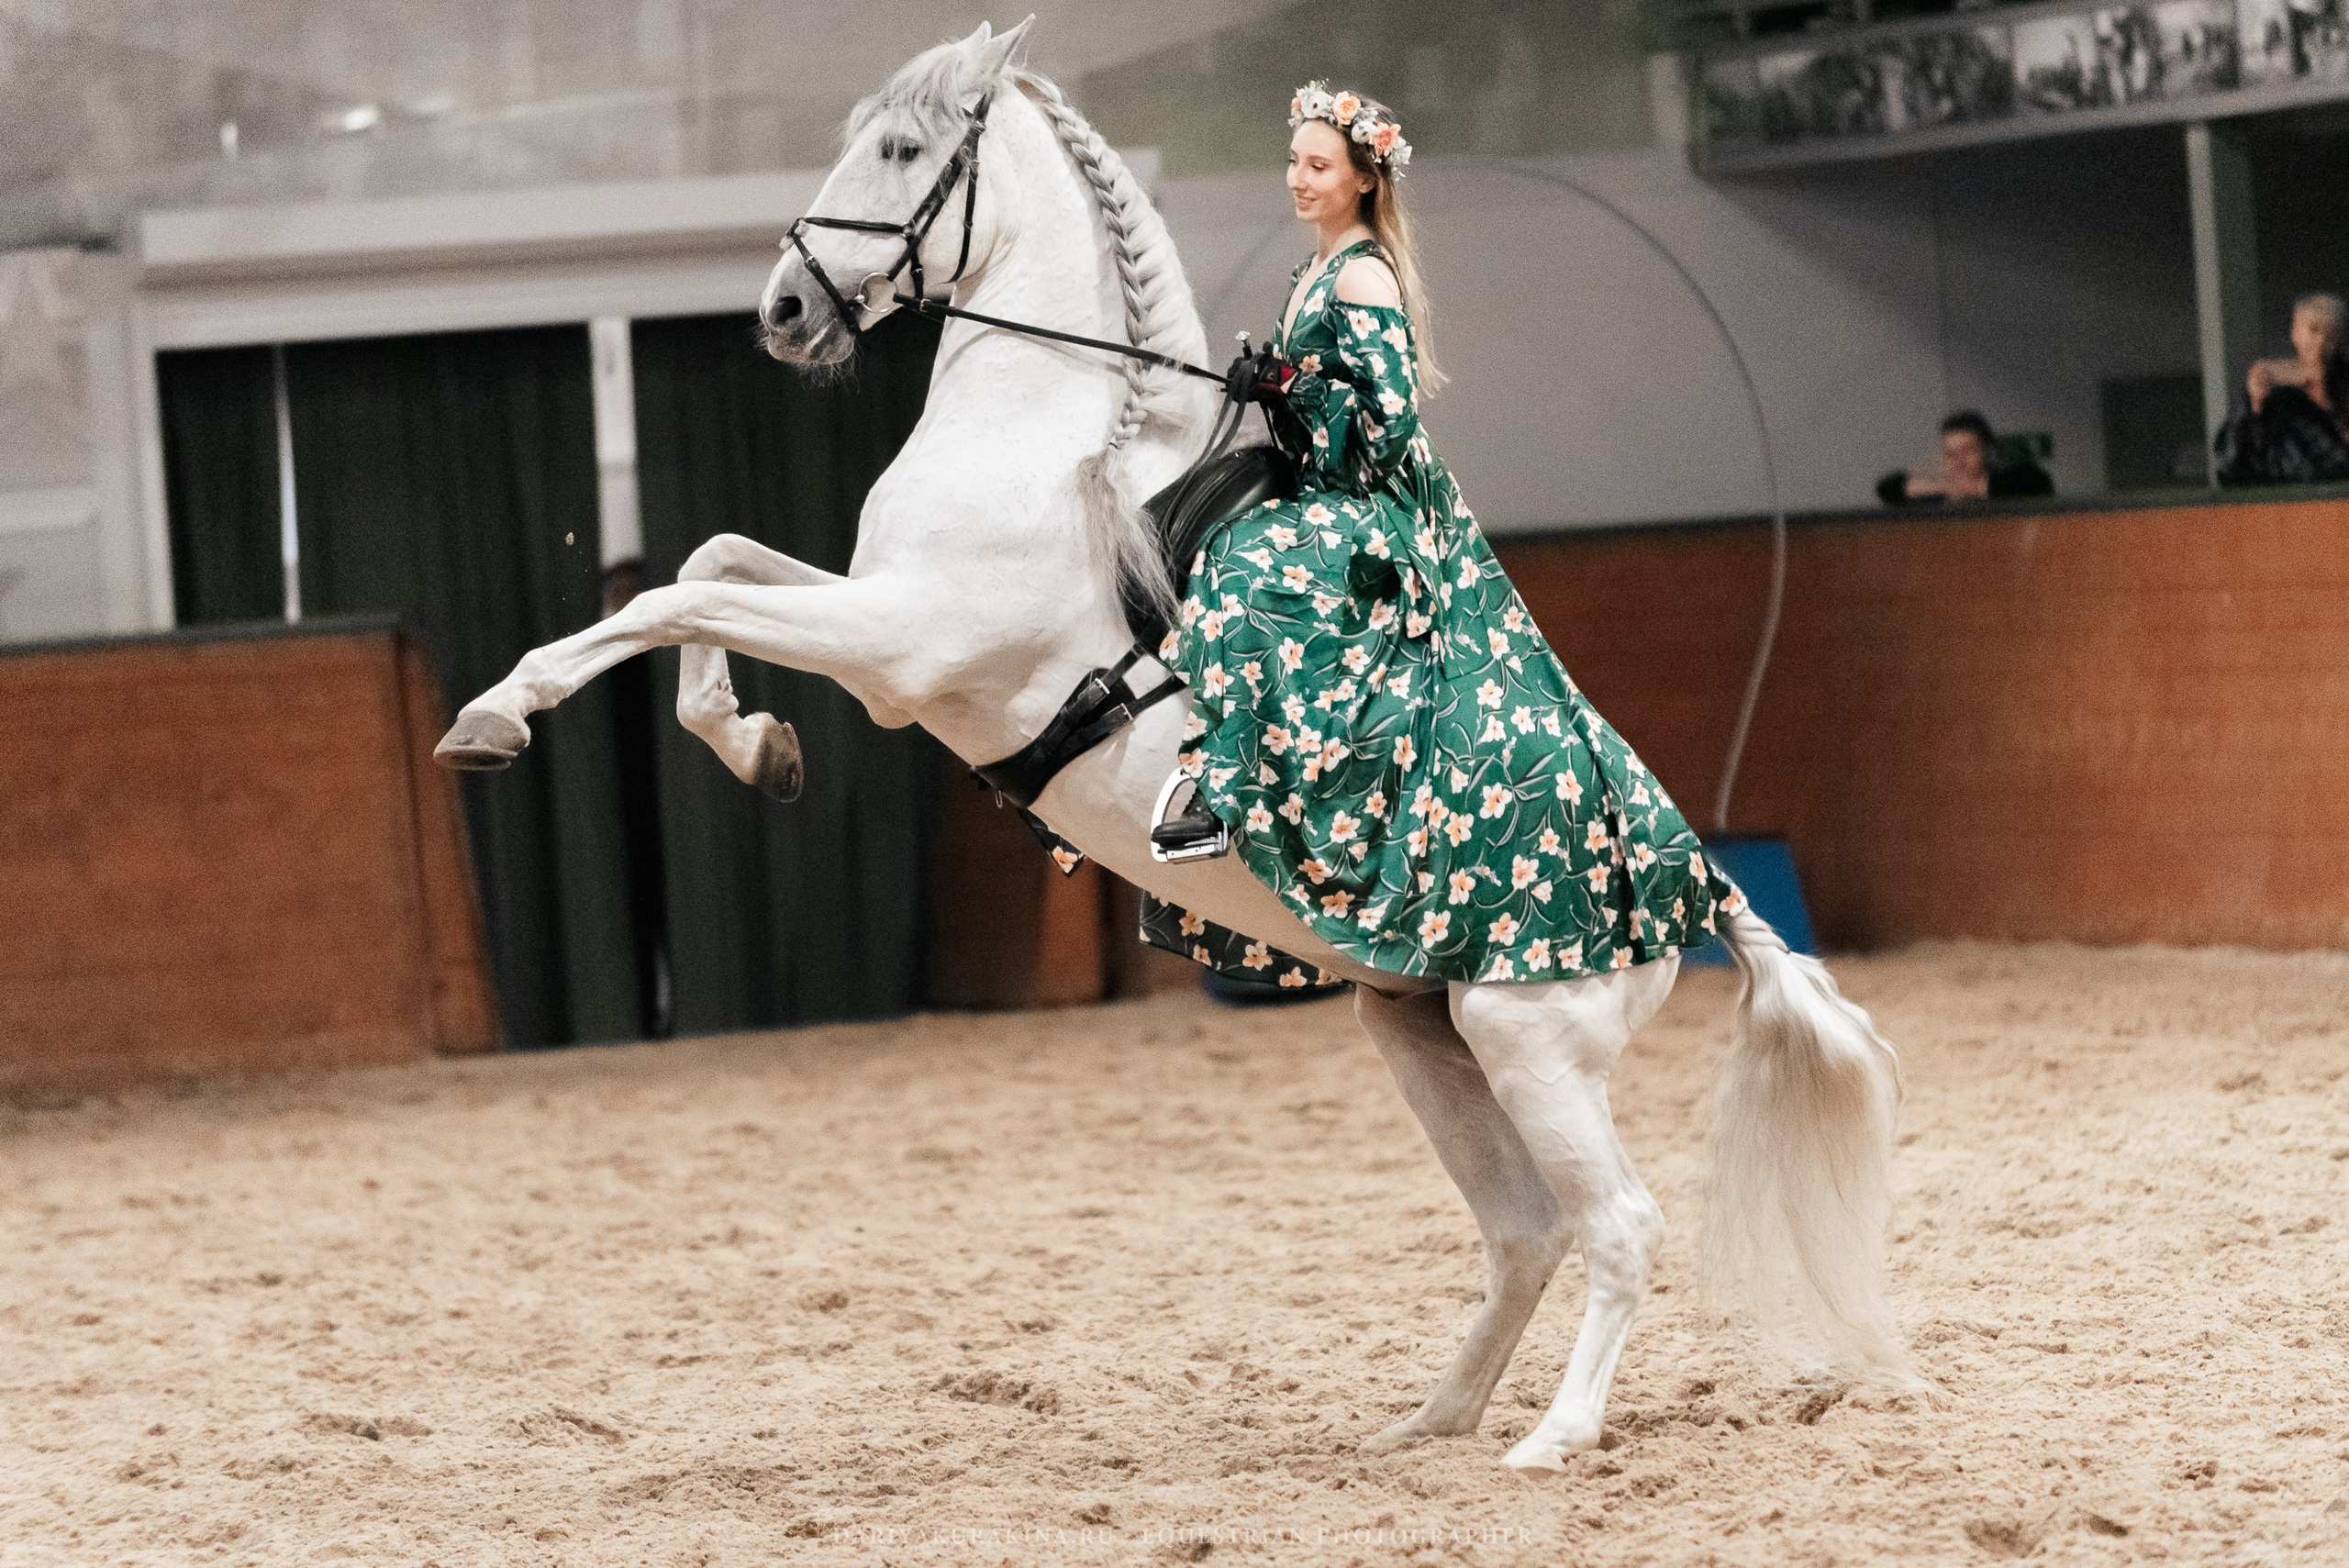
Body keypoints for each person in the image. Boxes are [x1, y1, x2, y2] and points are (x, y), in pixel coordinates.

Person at [1144, 82, 1743, 986]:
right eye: (1295, 161)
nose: (1297, 178)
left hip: (1375, 504)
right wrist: (1271, 382)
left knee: (1243, 562)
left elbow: (1385, 420)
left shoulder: (1360, 273)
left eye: (1318, 165)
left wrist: (1290, 385)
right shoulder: (1312, 269)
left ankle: (1225, 789)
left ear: (1359, 182)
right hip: (1324, 485)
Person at [2216, 292, 2349, 486]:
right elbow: (2254, 425)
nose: (2293, 336)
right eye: (2306, 330)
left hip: (2332, 464)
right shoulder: (2273, 377)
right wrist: (2259, 397)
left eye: (2298, 327)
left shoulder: (2342, 379)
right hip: (2281, 464)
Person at [1876, 410, 2054, 506]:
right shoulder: (1939, 492)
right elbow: (1887, 488)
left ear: (1986, 451)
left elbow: (2038, 482)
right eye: (1951, 454)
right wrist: (1942, 487)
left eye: (1968, 451)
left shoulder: (2011, 482)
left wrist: (1974, 488)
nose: (1959, 461)